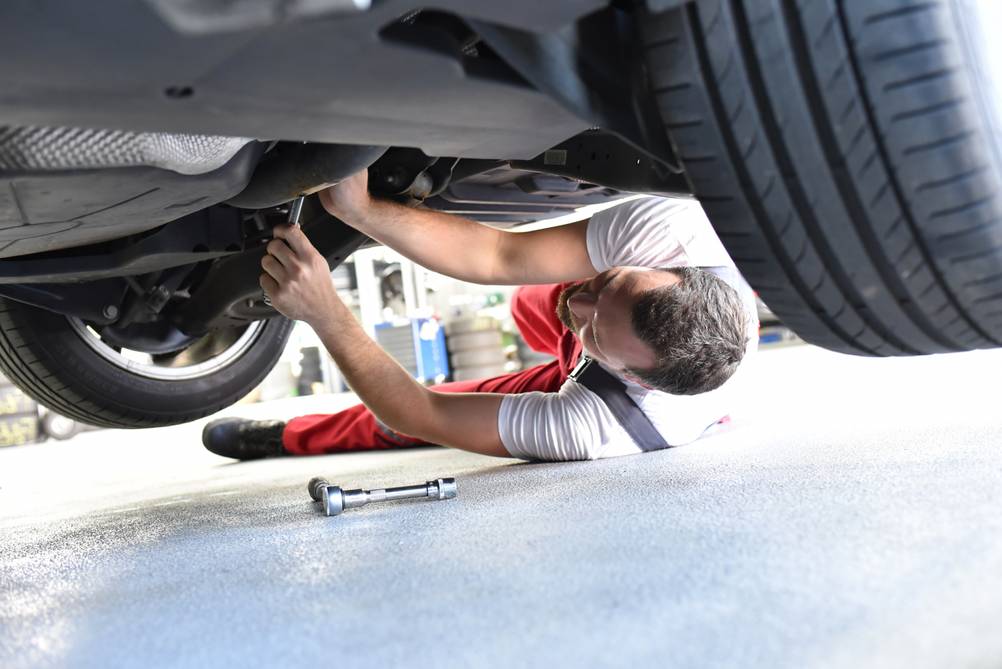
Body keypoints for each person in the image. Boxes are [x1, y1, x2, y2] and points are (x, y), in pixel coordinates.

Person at [202, 170, 758, 461]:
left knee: (428, 418)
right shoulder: (681, 234)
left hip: (611, 390)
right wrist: (360, 209)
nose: (579, 308)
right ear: (675, 271)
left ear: (630, 375)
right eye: (611, 282)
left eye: (591, 330)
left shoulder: (597, 426)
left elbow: (419, 411)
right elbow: (501, 256)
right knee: (530, 301)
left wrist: (323, 311)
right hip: (628, 330)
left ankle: (286, 437)